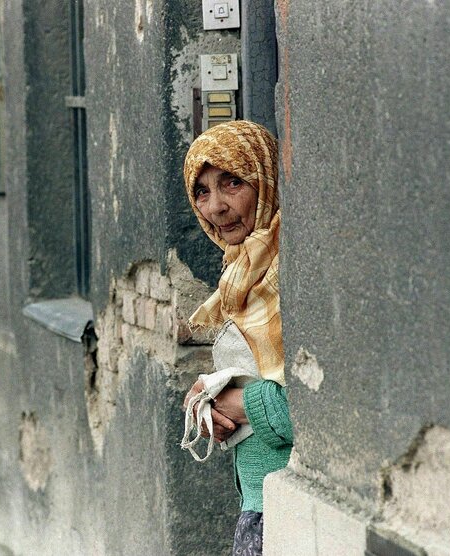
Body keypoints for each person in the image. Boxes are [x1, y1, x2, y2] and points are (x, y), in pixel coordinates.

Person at [180, 121, 293, 555]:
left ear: (266, 180)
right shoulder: (241, 274)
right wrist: (210, 401)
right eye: (202, 192)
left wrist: (242, 404)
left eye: (232, 182)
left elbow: (320, 406)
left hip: (291, 511)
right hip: (260, 504)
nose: (216, 207)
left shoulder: (290, 272)